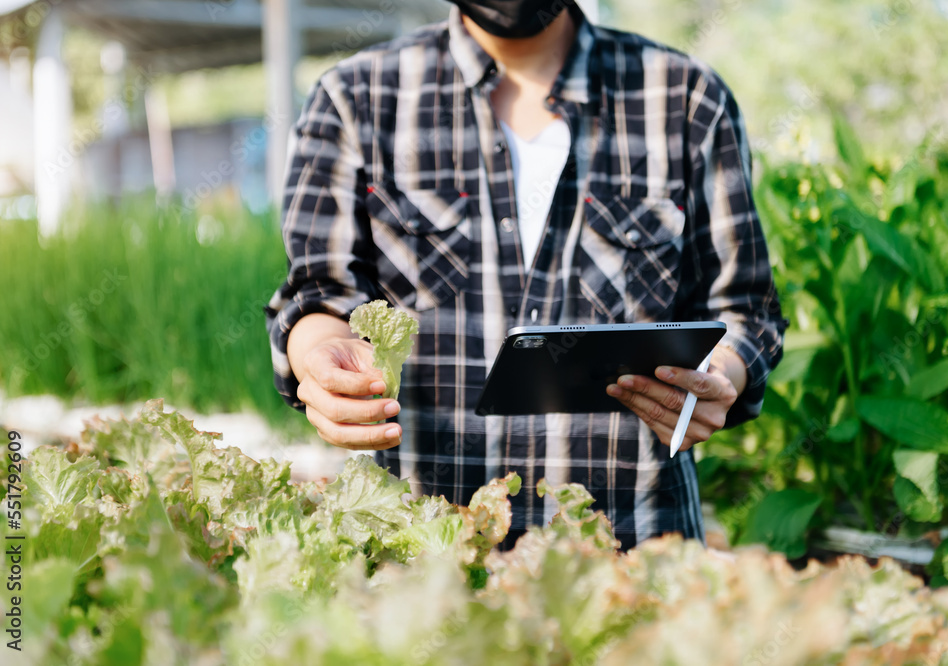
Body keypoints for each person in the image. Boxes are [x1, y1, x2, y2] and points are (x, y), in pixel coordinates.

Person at [265, 0, 786, 549]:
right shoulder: (355, 100)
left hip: (637, 553)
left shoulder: (685, 98)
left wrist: (721, 375)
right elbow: (319, 294)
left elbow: (747, 309)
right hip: (420, 562)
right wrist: (321, 357)